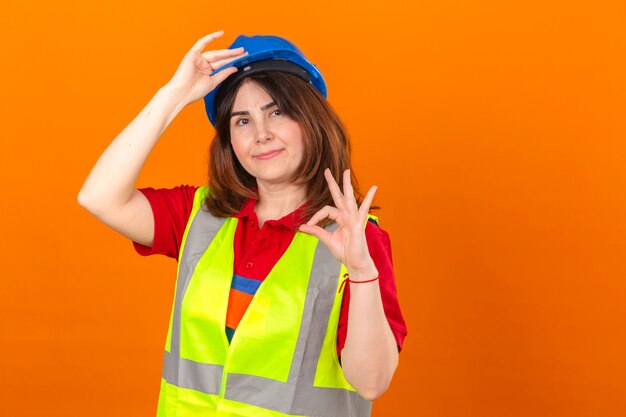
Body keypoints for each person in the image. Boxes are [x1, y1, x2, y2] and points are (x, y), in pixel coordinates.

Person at [78, 30, 407, 417]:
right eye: (242, 121)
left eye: (278, 112)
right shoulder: (200, 215)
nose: (261, 134)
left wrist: (361, 272)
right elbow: (97, 197)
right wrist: (174, 96)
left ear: (312, 121)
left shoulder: (358, 239)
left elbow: (371, 382)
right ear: (229, 140)